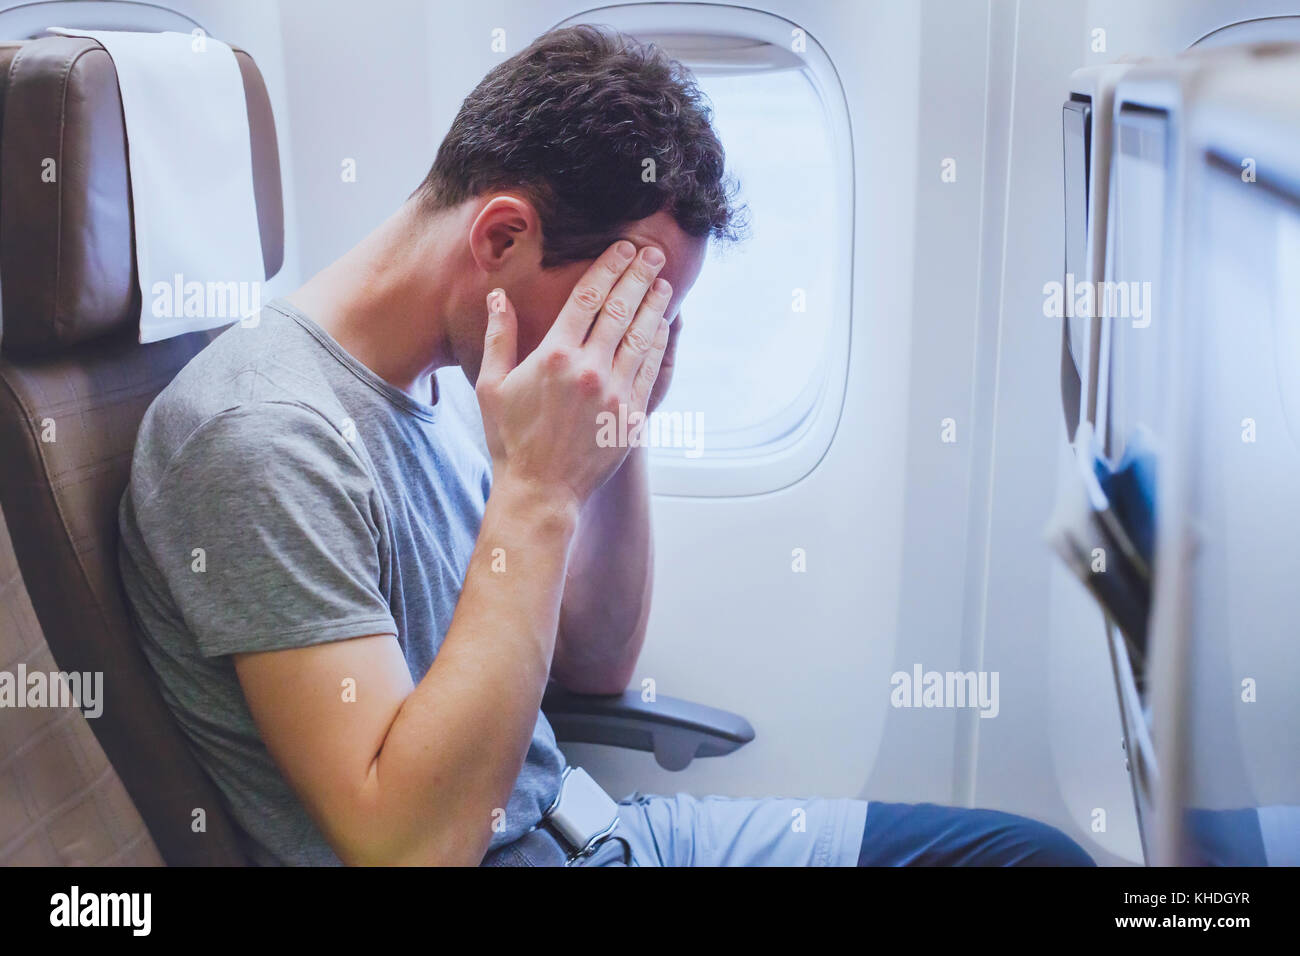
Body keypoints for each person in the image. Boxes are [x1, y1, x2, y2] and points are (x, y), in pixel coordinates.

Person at [118, 24, 1094, 867]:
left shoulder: (459, 379)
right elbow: (408, 844)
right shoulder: (260, 436)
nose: (621, 345)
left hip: (605, 829)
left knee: (1032, 856)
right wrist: (537, 489)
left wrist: (620, 437)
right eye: (616, 311)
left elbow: (594, 665)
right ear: (502, 237)